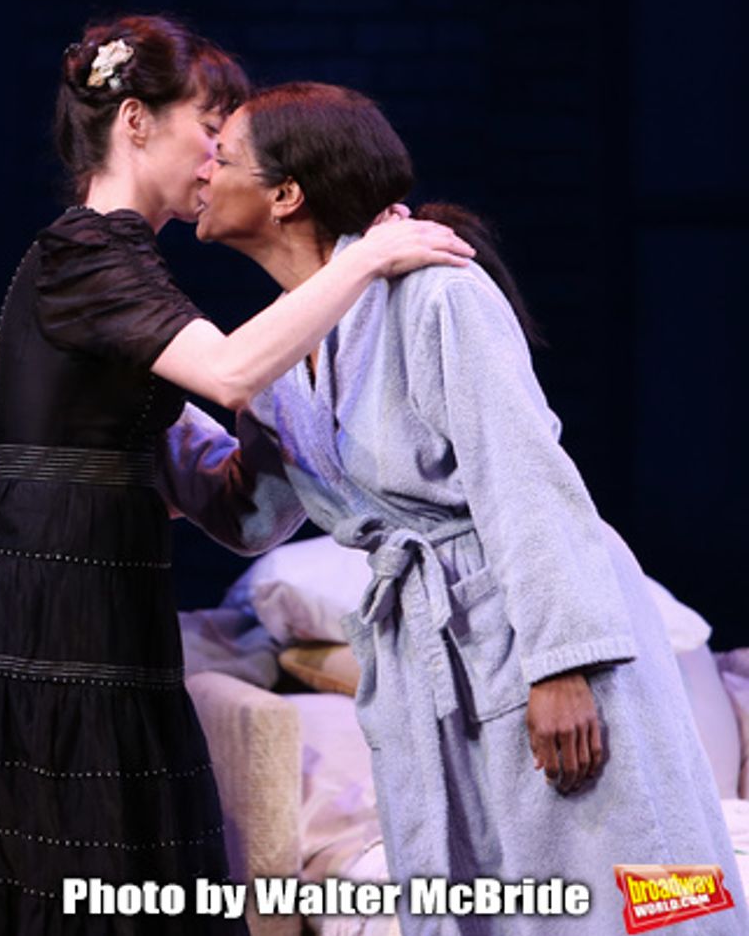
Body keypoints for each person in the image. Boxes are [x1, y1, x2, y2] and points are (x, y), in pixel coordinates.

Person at [161, 81, 747, 933]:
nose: (205, 172)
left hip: (531, 629)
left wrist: (563, 664)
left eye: (225, 158)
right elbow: (254, 519)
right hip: (428, 663)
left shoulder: (437, 294)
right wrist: (145, 409)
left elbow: (526, 475)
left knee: (611, 885)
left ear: (285, 194)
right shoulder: (283, 349)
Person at [0, 18, 473, 935]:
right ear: (136, 121)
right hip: (51, 623)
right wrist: (364, 259)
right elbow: (226, 371)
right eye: (208, 123)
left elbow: (243, 516)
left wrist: (291, 413)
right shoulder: (85, 253)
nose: (218, 151)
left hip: (115, 627)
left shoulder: (130, 274)